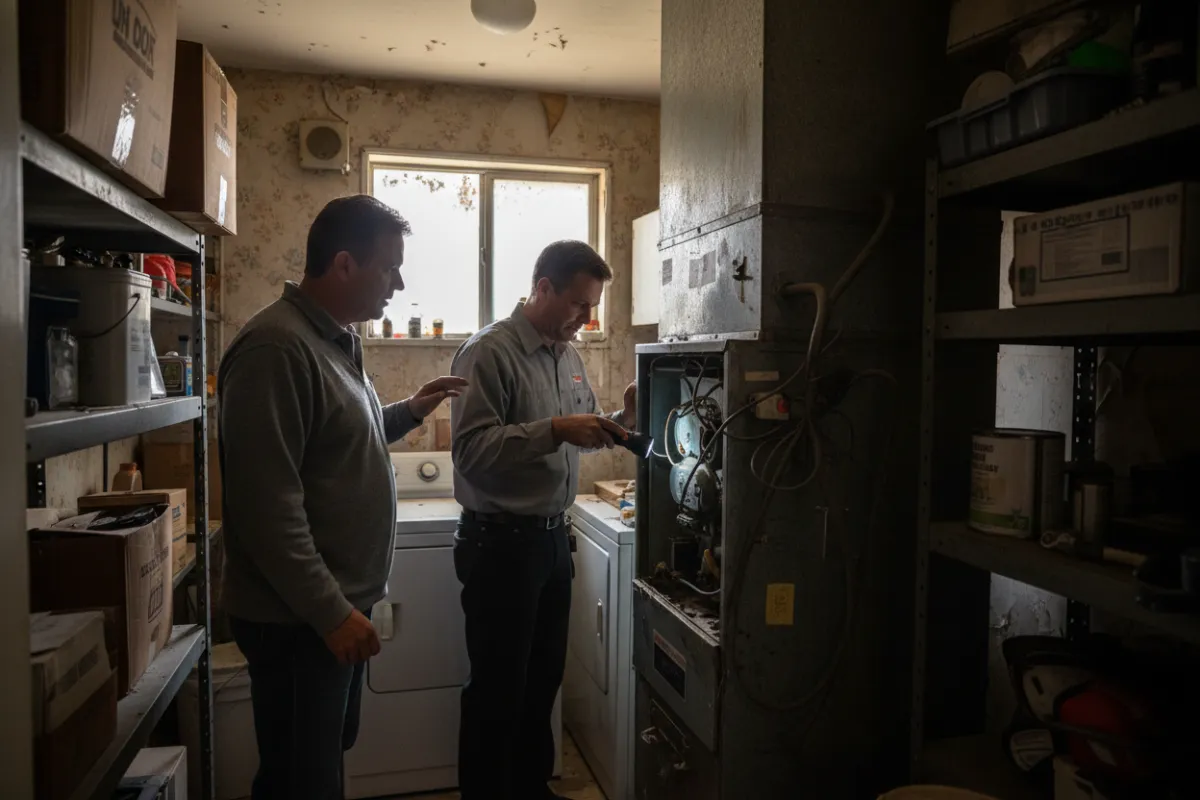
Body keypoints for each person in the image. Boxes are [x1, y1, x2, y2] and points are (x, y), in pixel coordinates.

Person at [218, 194, 467, 800]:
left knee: (321, 757)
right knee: (302, 779)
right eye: (390, 267)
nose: (399, 283)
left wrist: (410, 411)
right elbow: (267, 512)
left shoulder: (332, 340)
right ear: (345, 264)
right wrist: (331, 613)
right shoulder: (277, 348)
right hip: (298, 620)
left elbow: (338, 443)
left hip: (325, 611)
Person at [449, 240, 636, 799]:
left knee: (542, 684)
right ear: (543, 288)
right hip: (500, 545)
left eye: (593, 306)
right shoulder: (489, 352)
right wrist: (554, 429)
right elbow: (472, 451)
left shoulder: (568, 354)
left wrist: (621, 419)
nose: (587, 318)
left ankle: (532, 791)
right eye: (580, 304)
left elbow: (583, 430)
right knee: (497, 690)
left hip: (554, 542)